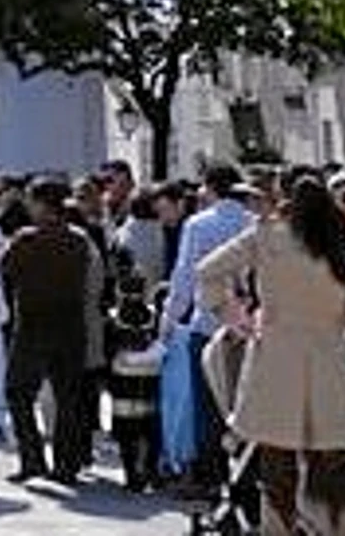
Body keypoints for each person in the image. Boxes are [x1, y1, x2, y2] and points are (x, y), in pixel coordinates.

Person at [199, 175, 345, 535]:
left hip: (276, 359)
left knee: (277, 464)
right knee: (332, 464)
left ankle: (278, 530)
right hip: (330, 360)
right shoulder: (343, 242)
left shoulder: (265, 237)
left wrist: (232, 314)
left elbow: (208, 271)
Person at [161, 162, 254, 491]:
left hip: (207, 322)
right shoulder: (252, 222)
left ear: (211, 188)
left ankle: (210, 478)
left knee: (207, 404)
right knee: (244, 401)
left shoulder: (198, 225)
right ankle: (245, 475)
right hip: (247, 325)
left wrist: (169, 321)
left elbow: (185, 276)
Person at [0, 176, 92, 485]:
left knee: (18, 392)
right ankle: (66, 464)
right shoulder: (78, 239)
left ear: (41, 204)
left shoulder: (26, 239)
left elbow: (6, 270)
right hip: (69, 323)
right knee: (68, 397)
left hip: (32, 324)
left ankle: (32, 458)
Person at [107, 276, 164, 493]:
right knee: (150, 431)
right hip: (149, 381)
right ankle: (151, 470)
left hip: (123, 385)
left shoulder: (114, 318)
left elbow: (108, 350)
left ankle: (132, 475)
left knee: (126, 435)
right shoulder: (152, 316)